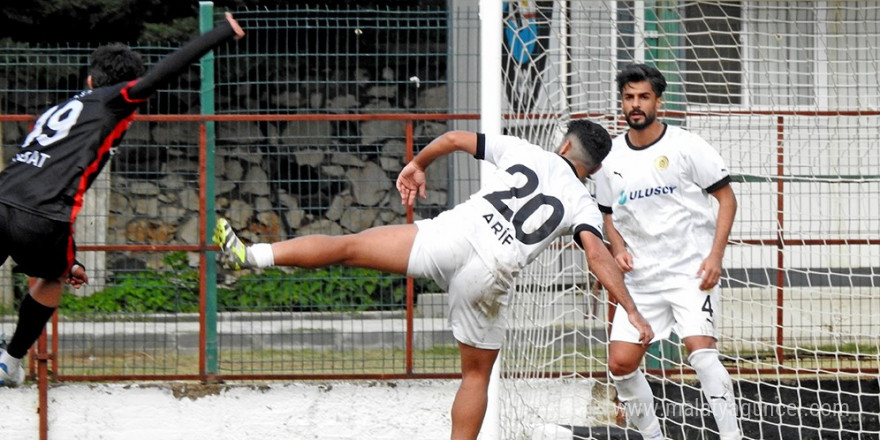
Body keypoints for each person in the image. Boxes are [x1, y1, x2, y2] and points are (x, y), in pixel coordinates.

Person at [213, 120, 655, 440]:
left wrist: (416, 165)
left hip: (451, 236)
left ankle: (250, 254)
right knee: (476, 377)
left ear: (563, 144)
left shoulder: (527, 151)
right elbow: (597, 254)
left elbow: (451, 138)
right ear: (594, 170)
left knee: (348, 245)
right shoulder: (583, 203)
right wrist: (631, 311)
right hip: (492, 273)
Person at [0, 13, 245, 387]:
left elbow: (46, 173)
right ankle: (11, 362)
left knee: (60, 264)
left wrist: (70, 255)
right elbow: (163, 72)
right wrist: (222, 31)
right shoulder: (115, 101)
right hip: (43, 216)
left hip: (4, 196)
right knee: (52, 277)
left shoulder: (61, 110)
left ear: (89, 79)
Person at [593, 63, 740, 440]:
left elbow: (726, 200)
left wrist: (715, 257)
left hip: (691, 273)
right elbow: (608, 215)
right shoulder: (610, 160)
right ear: (622, 103)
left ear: (659, 100)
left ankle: (731, 436)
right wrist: (619, 248)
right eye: (629, 98)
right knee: (621, 365)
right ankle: (654, 437)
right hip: (641, 280)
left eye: (643, 97)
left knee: (701, 353)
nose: (636, 104)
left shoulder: (686, 145)